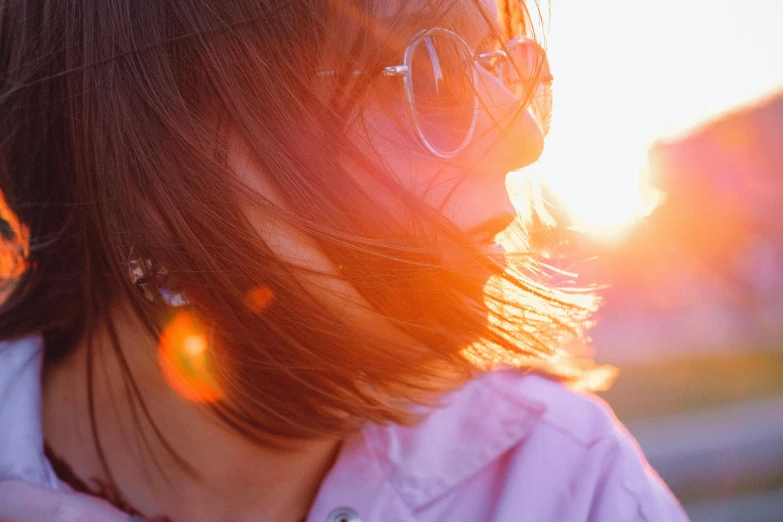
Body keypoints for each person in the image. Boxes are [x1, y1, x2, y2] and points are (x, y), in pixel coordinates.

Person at [0, 0, 688, 520]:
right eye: (426, 67)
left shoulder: (561, 480)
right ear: (146, 167)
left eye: (506, 62)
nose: (523, 139)